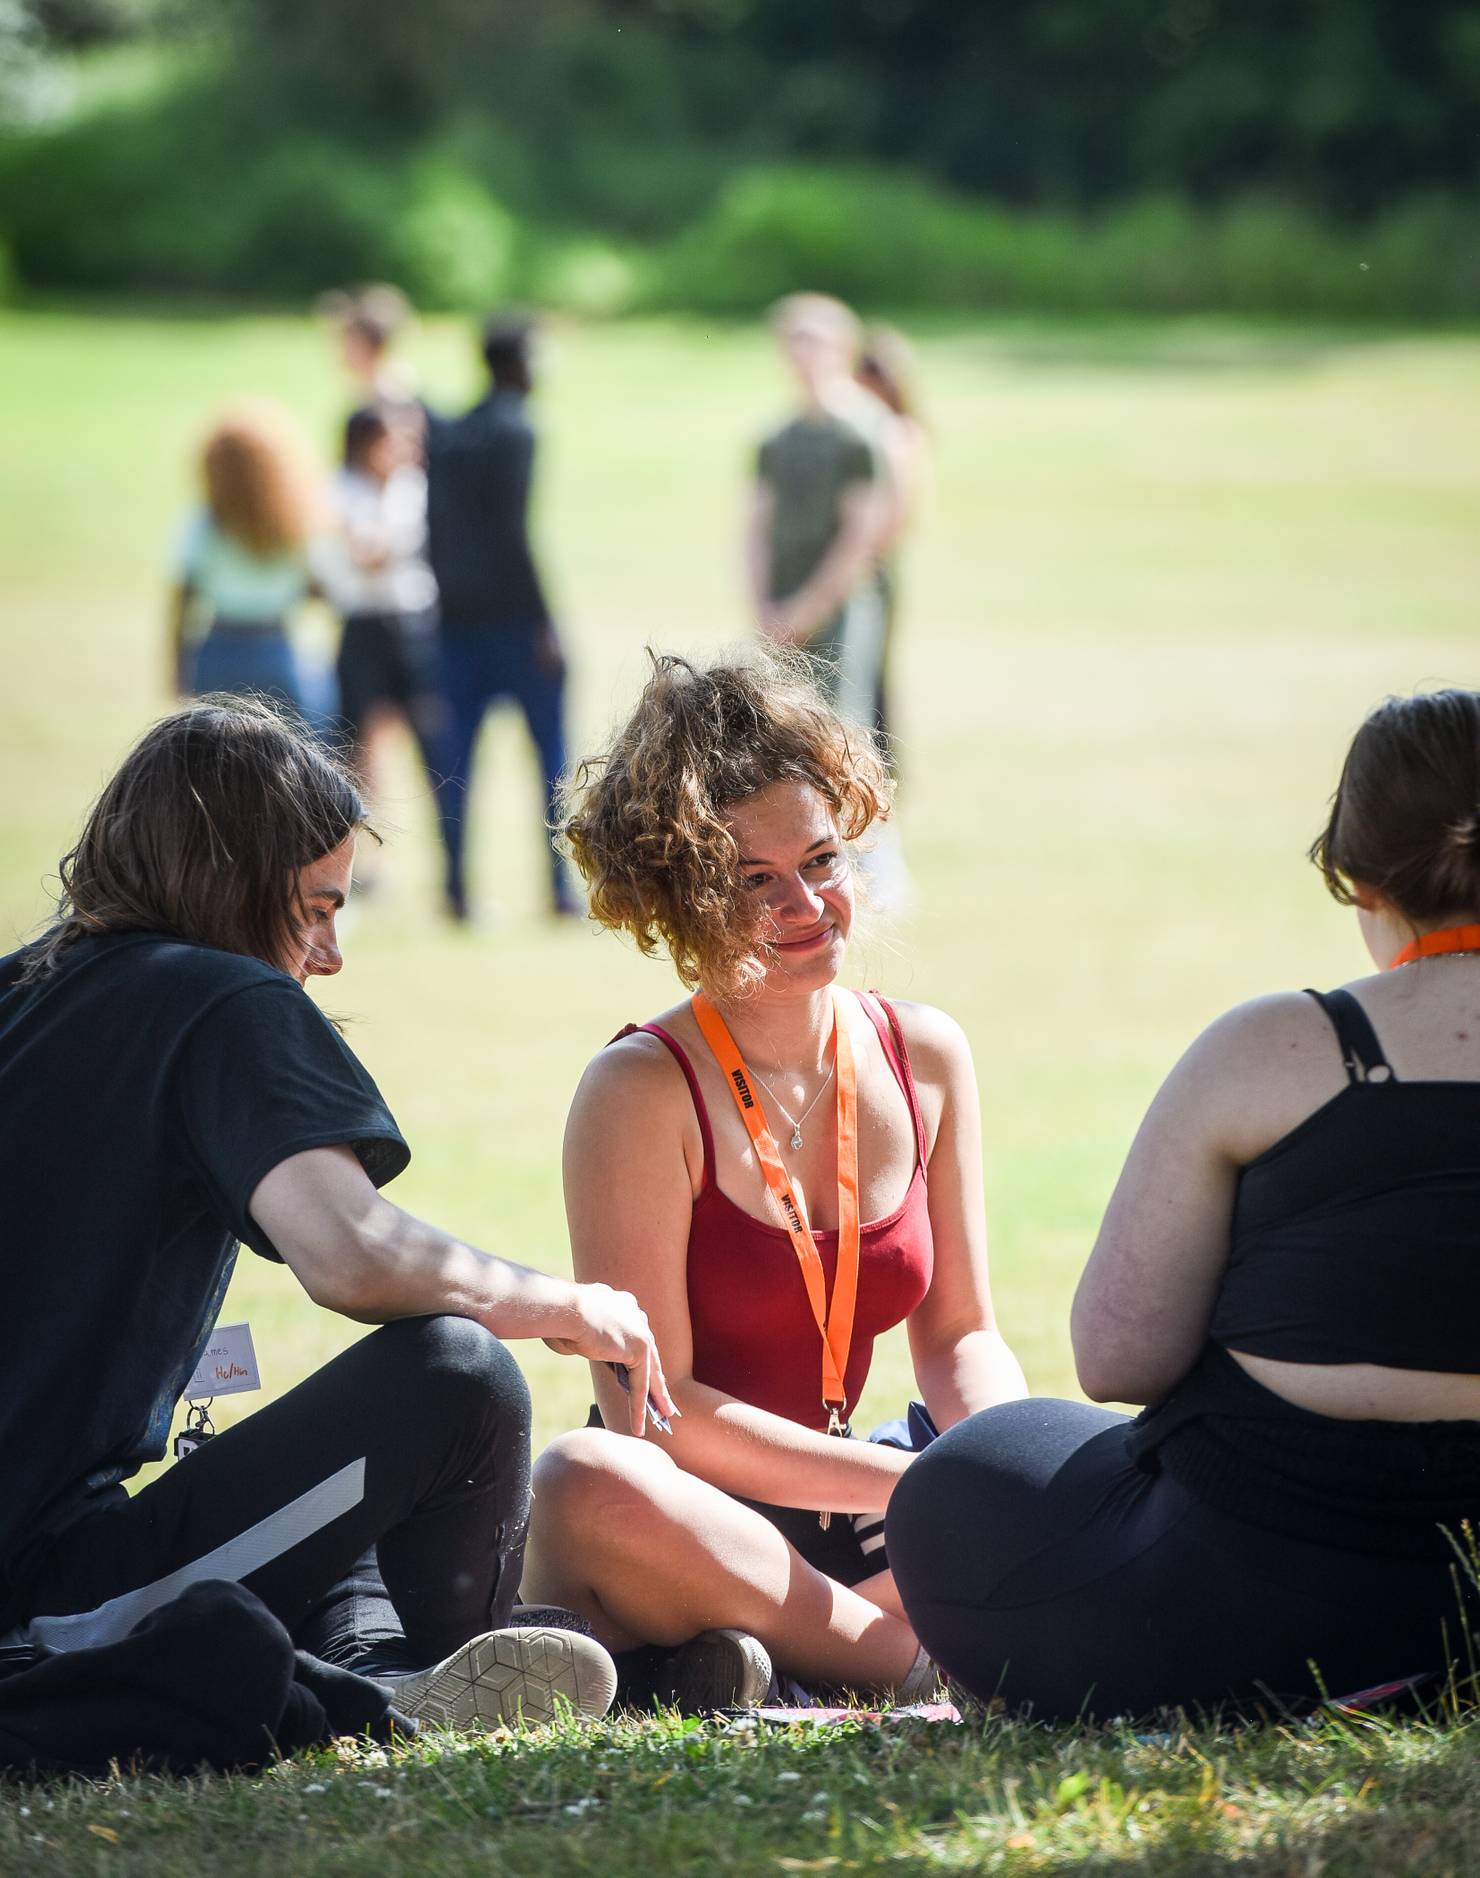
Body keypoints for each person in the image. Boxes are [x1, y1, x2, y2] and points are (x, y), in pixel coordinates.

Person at [0, 696, 674, 1734]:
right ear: (229, 889)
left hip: (53, 1541)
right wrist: (568, 1306)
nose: (329, 953)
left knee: (354, 1462)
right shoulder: (220, 996)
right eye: (315, 909)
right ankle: (459, 1668)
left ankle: (398, 1663)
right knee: (455, 1378)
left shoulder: (24, 991)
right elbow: (352, 1255)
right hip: (38, 1593)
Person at [889, 689, 1480, 1722]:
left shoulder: (1278, 1048)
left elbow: (1120, 1359)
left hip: (1240, 1602)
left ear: (1356, 876)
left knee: (963, 1475)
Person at [520, 651, 1026, 1708]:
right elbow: (653, 1419)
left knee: (1092, 1457)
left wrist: (1006, 1472)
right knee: (582, 1481)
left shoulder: (923, 1053)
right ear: (679, 895)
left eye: (824, 859)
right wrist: (916, 1485)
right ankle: (917, 1666)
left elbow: (962, 1336)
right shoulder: (637, 1091)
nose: (808, 902)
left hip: (867, 1494)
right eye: (754, 880)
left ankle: (765, 1662)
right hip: (699, 1512)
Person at [423, 312, 576, 922]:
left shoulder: (447, 433)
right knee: (551, 758)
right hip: (513, 624)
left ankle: (456, 889)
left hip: (450, 621)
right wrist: (545, 620)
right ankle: (559, 888)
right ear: (518, 364)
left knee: (454, 764)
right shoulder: (517, 431)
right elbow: (514, 534)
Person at [746, 295, 895, 732]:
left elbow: (861, 536)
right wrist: (763, 607)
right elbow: (754, 526)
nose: (803, 354)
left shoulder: (860, 434)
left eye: (815, 341)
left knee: (838, 733)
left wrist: (807, 609)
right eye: (794, 341)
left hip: (837, 606)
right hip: (779, 599)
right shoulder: (776, 438)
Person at [167, 402, 334, 733]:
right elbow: (321, 589)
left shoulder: (204, 526)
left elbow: (183, 602)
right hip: (275, 649)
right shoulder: (291, 526)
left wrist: (177, 667)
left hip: (217, 652)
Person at [320, 404, 441, 816]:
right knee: (356, 742)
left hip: (412, 624)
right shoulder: (340, 489)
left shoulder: (413, 487)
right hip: (363, 624)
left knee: (432, 734)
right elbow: (363, 555)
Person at [854, 324, 929, 766]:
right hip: (867, 561)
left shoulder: (893, 432)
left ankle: (879, 761)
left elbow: (900, 509)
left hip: (871, 564)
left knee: (869, 669)